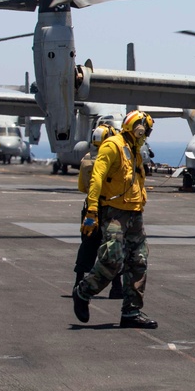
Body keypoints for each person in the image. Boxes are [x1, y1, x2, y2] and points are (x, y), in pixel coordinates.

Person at [72, 110, 157, 329]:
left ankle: (131, 312)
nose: (145, 134)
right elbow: (97, 177)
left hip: (134, 215)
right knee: (112, 259)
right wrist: (92, 210)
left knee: (138, 261)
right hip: (114, 212)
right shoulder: (113, 146)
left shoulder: (134, 150)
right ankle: (83, 292)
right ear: (137, 127)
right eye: (145, 130)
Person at [73, 124, 124, 298]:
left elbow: (81, 187)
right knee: (113, 247)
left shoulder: (86, 159)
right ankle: (116, 288)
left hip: (89, 208)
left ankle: (78, 282)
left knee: (87, 245)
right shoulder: (113, 158)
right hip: (110, 209)